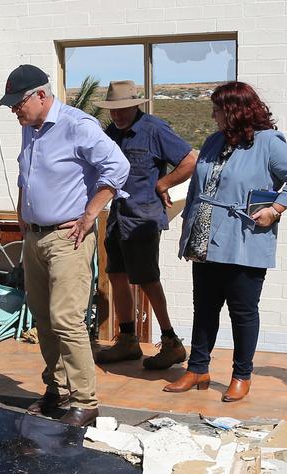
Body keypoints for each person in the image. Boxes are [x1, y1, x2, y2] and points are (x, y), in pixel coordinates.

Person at [0, 64, 129, 427]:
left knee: (66, 319)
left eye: (18, 103)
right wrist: (22, 210)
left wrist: (90, 215)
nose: (14, 111)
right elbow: (27, 172)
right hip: (35, 236)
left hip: (67, 237)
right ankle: (57, 390)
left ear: (41, 95)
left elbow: (117, 167)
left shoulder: (77, 125)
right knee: (42, 317)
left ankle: (85, 401)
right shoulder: (31, 128)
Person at [165, 81, 287, 402]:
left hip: (244, 240)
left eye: (218, 109)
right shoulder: (212, 141)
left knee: (242, 311)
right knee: (203, 308)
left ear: (235, 111)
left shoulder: (268, 143)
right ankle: (198, 369)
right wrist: (187, 230)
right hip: (205, 240)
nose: (214, 115)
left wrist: (275, 210)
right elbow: (197, 188)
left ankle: (241, 375)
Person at [94, 80, 196, 370]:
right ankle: (128, 340)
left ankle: (171, 343)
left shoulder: (154, 129)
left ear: (135, 105)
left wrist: (163, 183)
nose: (118, 115)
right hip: (118, 213)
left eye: (123, 109)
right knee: (116, 273)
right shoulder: (111, 133)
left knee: (147, 278)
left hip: (143, 216)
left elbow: (190, 161)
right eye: (113, 111)